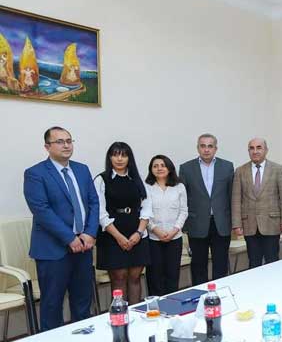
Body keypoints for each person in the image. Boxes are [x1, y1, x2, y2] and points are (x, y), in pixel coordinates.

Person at [23, 127, 99, 331]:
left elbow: (93, 202)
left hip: (83, 246)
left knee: (83, 302)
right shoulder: (35, 173)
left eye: (69, 141)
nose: (66, 145)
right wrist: (69, 238)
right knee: (52, 305)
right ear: (47, 147)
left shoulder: (82, 169)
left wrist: (90, 233)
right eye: (59, 141)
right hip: (53, 250)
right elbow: (41, 210)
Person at [94, 142, 152, 305]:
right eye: (115, 155)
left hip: (137, 234)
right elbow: (100, 212)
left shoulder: (137, 179)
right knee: (119, 278)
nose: (119, 159)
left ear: (129, 158)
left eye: (124, 155)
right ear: (109, 158)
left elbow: (147, 208)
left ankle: (135, 314)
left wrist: (139, 233)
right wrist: (119, 237)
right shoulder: (101, 179)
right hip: (112, 235)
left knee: (135, 277)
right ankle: (120, 316)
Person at [179, 134, 234, 285]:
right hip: (196, 223)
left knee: (221, 264)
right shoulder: (186, 168)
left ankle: (220, 293)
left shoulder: (227, 166)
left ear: (216, 148)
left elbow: (232, 196)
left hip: (221, 223)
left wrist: (234, 222)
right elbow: (183, 198)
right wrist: (185, 225)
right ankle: (200, 294)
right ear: (198, 148)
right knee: (198, 265)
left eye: (210, 146)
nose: (206, 149)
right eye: (203, 146)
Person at [232, 138, 282, 268]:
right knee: (253, 262)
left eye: (259, 148)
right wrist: (237, 224)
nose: (255, 151)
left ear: (266, 150)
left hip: (272, 222)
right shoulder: (240, 171)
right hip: (249, 224)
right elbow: (236, 199)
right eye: (251, 148)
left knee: (272, 260)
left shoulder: (278, 169)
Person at [144, 155, 187, 296]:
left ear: (169, 168)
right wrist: (156, 230)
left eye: (163, 165)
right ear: (151, 169)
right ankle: (155, 306)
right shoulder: (147, 188)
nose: (159, 168)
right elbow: (145, 213)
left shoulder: (179, 187)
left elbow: (184, 211)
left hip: (175, 238)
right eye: (155, 166)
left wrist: (174, 231)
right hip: (153, 239)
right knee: (154, 276)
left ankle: (172, 304)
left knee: (172, 275)